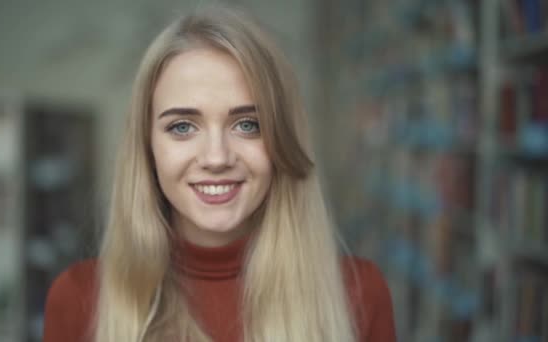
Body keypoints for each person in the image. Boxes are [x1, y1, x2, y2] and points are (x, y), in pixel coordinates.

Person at [43, 5, 396, 342]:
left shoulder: (359, 294)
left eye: (247, 124)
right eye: (182, 127)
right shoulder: (77, 300)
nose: (216, 157)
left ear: (282, 141)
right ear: (147, 148)